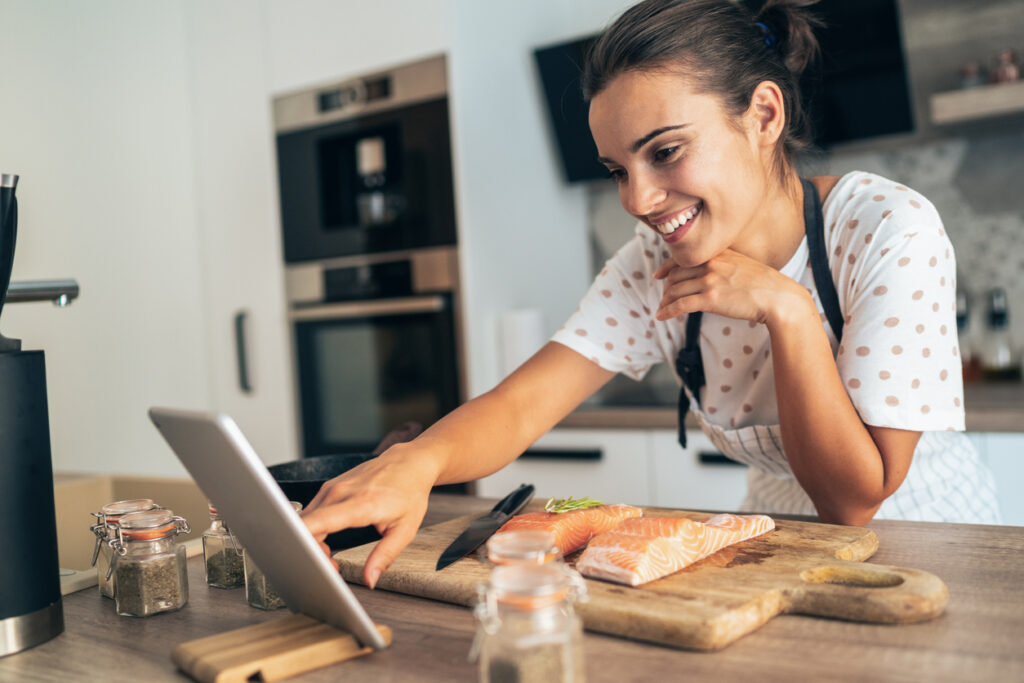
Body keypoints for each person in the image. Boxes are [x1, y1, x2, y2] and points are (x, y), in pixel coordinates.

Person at [302, 0, 1000, 588]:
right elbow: (520, 406)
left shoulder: (886, 229)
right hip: (776, 549)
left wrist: (785, 308)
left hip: (929, 553)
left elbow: (855, 497)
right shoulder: (653, 264)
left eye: (665, 151)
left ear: (763, 116)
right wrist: (415, 463)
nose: (638, 198)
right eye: (616, 169)